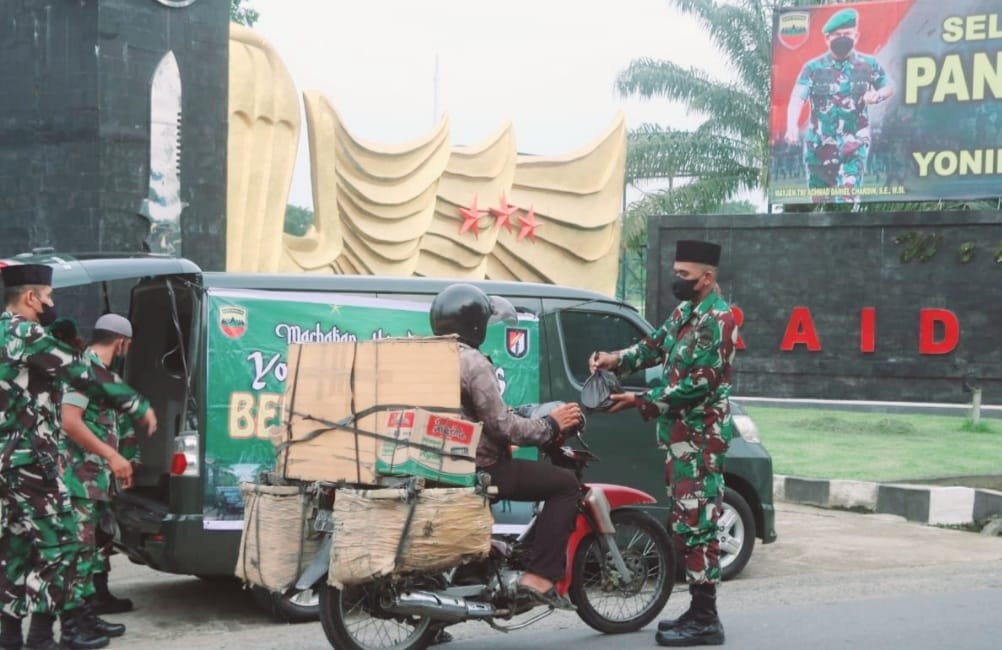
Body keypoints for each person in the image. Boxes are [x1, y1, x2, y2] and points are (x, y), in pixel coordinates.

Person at [0, 264, 157, 650]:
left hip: (8, 463)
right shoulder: (26, 334)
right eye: (48, 297)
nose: (51, 304)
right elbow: (81, 371)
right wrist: (135, 403)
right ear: (31, 297)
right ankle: (41, 639)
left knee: (15, 551)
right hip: (31, 464)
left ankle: (9, 637)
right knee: (64, 545)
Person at [589, 241, 737, 647]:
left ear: (707, 277)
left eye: (684, 275)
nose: (677, 280)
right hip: (679, 439)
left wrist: (640, 400)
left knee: (698, 524)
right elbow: (652, 347)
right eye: (676, 273)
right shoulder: (686, 312)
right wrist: (614, 359)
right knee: (685, 523)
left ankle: (706, 619)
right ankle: (698, 611)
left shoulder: (718, 321)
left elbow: (698, 385)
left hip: (701, 439)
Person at [430, 284, 583, 609]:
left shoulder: (426, 356)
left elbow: (462, 416)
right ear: (475, 325)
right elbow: (502, 425)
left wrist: (498, 442)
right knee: (566, 485)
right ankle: (540, 577)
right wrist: (551, 424)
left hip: (435, 463)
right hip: (475, 468)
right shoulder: (472, 362)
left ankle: (473, 573)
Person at [60, 314, 146, 642]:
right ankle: (75, 627)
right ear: (122, 342)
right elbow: (70, 421)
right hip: (78, 476)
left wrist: (119, 462)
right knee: (78, 552)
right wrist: (112, 457)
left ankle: (88, 616)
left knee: (91, 548)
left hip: (94, 476)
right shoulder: (85, 369)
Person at [783, 7, 895, 203]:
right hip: (819, 147)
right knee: (820, 204)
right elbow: (797, 98)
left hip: (854, 144)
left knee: (846, 200)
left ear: (856, 36)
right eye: (837, 35)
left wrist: (877, 95)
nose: (842, 38)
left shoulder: (868, 64)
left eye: (847, 34)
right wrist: (791, 126)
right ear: (827, 39)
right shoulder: (813, 68)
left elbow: (889, 86)